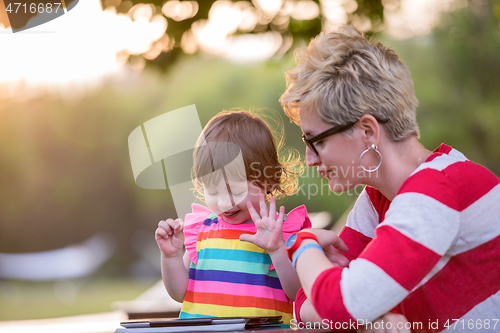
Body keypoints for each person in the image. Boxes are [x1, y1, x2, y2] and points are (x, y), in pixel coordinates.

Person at [279, 26, 500, 333]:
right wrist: (366, 315)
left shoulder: (437, 190)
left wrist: (302, 245)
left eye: (316, 141)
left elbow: (338, 305)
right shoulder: (378, 197)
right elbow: (308, 302)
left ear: (367, 131)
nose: (310, 158)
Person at [154, 110, 311, 327]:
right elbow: (181, 293)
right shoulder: (200, 229)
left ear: (269, 179)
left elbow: (297, 293)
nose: (224, 203)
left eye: (234, 191)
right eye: (212, 191)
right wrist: (170, 257)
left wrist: (277, 250)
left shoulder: (282, 231)